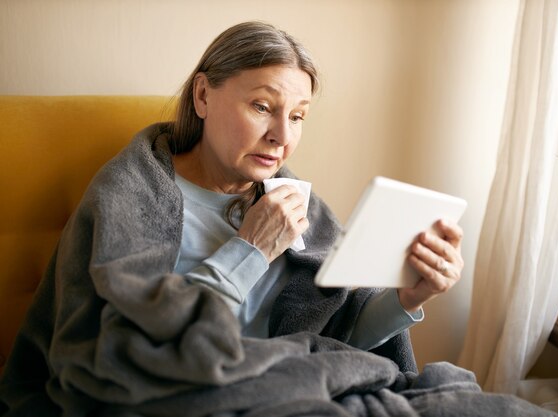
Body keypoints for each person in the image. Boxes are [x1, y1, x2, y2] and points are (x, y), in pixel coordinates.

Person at [0, 21, 465, 415]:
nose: (282, 136)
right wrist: (251, 248)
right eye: (262, 107)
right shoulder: (132, 194)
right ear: (203, 95)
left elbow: (334, 344)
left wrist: (406, 298)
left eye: (299, 116)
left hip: (293, 388)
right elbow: (134, 352)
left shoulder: (302, 207)